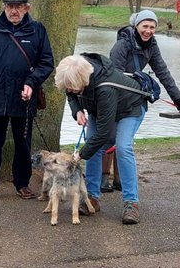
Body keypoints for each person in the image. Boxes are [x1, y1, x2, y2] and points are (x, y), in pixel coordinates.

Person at [0, 0, 54, 200]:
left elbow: (46, 63)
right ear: (4, 7)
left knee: (23, 143)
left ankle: (22, 184)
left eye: (18, 7)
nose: (14, 11)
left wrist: (31, 83)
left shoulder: (37, 30)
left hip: (24, 97)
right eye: (10, 6)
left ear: (27, 8)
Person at [101, 8, 180, 192]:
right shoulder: (121, 46)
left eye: (152, 27)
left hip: (131, 97)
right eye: (145, 26)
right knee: (109, 137)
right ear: (136, 26)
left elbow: (162, 72)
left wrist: (177, 97)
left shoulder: (152, 47)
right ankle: (102, 179)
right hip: (113, 94)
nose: (148, 30)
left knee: (124, 140)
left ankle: (119, 179)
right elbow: (114, 75)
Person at [54, 53, 147, 225]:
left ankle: (131, 203)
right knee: (93, 146)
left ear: (83, 81)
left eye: (73, 87)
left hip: (130, 108)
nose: (70, 90)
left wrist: (80, 155)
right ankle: (91, 198)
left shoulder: (105, 88)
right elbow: (71, 94)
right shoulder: (74, 69)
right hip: (100, 110)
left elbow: (104, 133)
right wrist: (77, 111)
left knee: (123, 147)